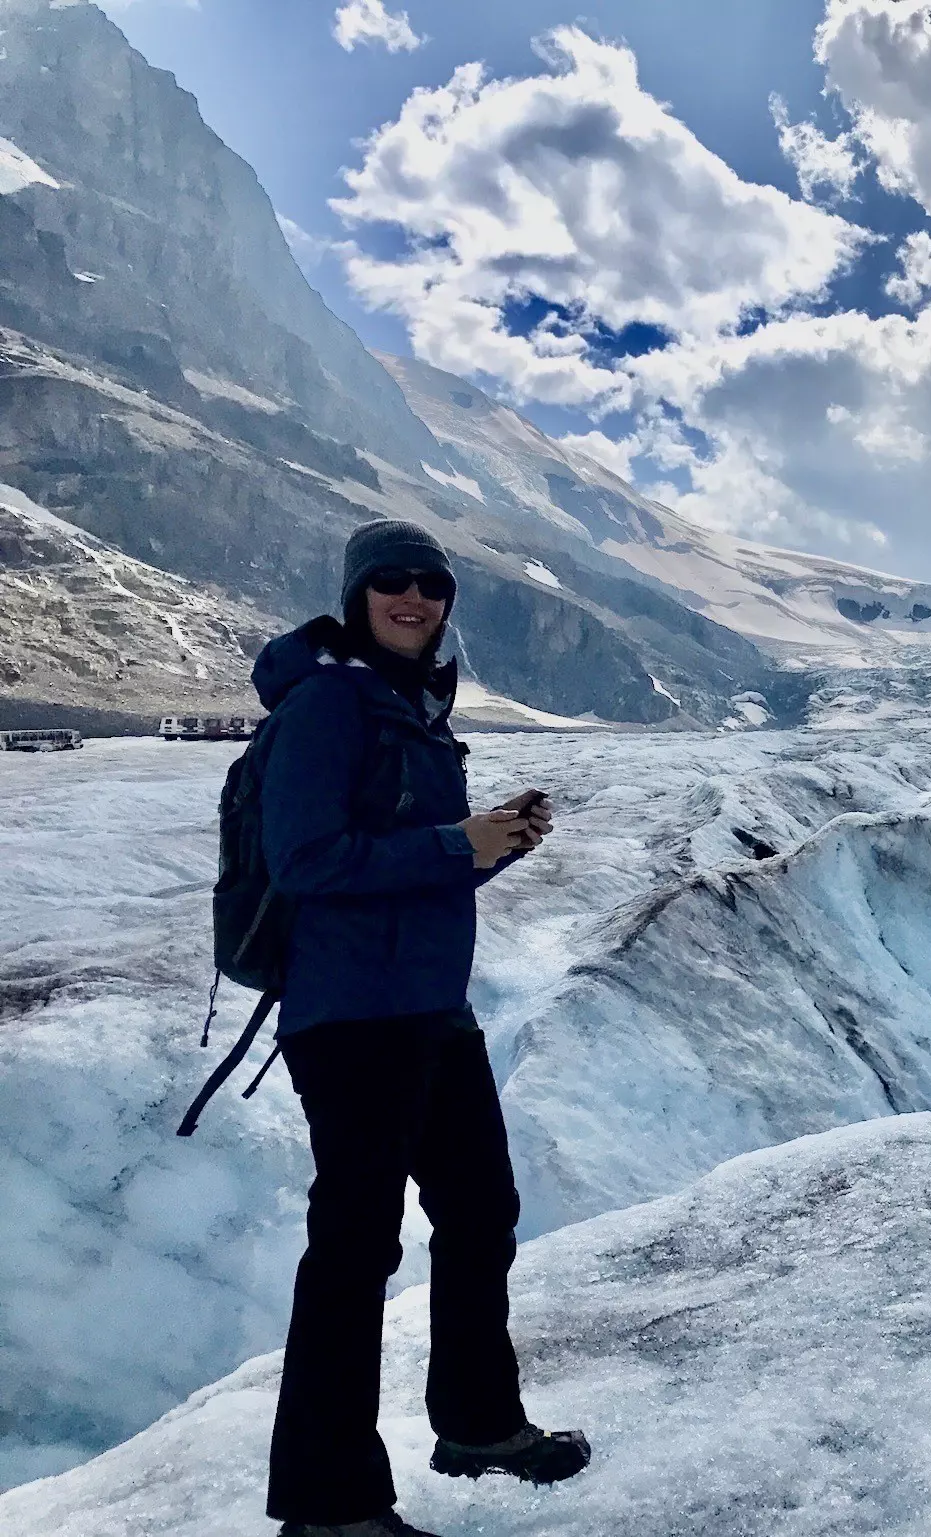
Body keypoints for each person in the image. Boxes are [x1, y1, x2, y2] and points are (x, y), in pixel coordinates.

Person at [250, 519, 590, 1537]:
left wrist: (492, 844)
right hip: (352, 1016)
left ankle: (478, 1425)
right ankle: (328, 1505)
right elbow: (304, 859)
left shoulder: (412, 707)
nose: (414, 598)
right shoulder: (325, 705)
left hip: (431, 1007)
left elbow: (415, 864)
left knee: (480, 1212)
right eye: (392, 581)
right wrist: (454, 842)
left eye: (432, 584)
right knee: (355, 1248)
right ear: (357, 594)